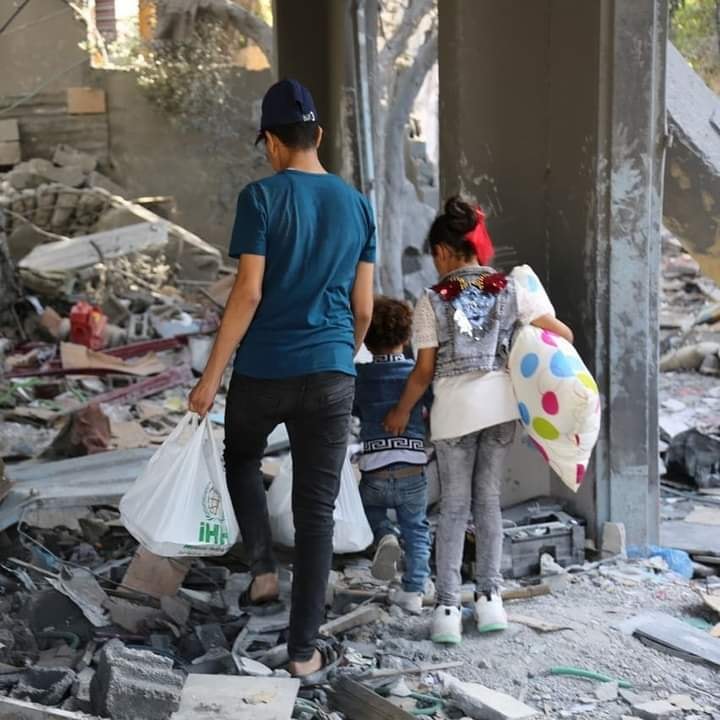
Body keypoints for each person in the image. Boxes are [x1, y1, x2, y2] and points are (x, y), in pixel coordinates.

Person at [188, 78, 376, 681]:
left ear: (271, 140)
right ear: (318, 134)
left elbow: (247, 293)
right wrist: (340, 355)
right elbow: (365, 307)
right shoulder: (358, 205)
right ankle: (302, 652)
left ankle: (263, 569)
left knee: (242, 456)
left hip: (265, 369)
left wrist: (210, 378)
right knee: (316, 512)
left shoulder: (260, 198)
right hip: (332, 371)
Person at [384, 196, 572, 645]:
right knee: (488, 503)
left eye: (434, 257)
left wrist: (401, 410)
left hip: (455, 414)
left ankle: (447, 609)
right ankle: (491, 600)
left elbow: (424, 371)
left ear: (443, 252)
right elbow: (561, 333)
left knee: (454, 507)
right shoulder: (510, 289)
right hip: (501, 410)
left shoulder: (431, 300)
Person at [354, 297, 432, 614]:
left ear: (366, 341)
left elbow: (353, 409)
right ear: (408, 337)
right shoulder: (417, 375)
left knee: (368, 509)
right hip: (411, 471)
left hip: (374, 471)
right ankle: (414, 591)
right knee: (417, 530)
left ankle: (384, 534)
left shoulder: (360, 376)